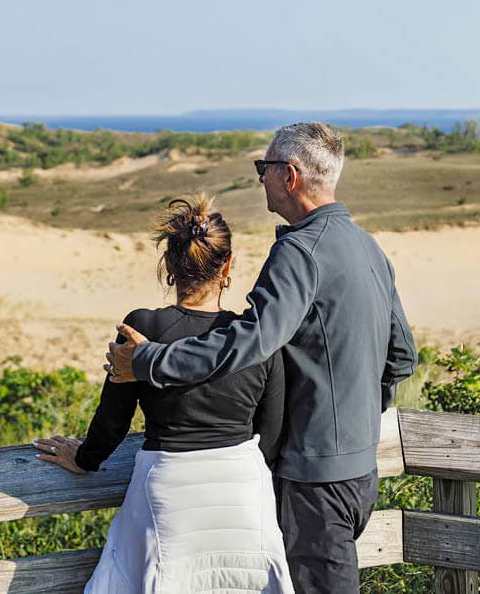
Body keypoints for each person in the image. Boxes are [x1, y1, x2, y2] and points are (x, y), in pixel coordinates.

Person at [108, 122, 418, 593]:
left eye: (264, 168)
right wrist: (353, 423)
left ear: (289, 175)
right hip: (360, 472)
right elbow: (401, 357)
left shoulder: (299, 251)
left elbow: (250, 340)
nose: (261, 178)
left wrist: (151, 361)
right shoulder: (367, 246)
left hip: (314, 479)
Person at [34, 195, 294, 593]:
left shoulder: (142, 328)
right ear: (227, 265)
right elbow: (271, 432)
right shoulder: (255, 338)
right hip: (243, 493)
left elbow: (112, 421)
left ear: (169, 265)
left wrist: (84, 458)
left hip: (169, 491)